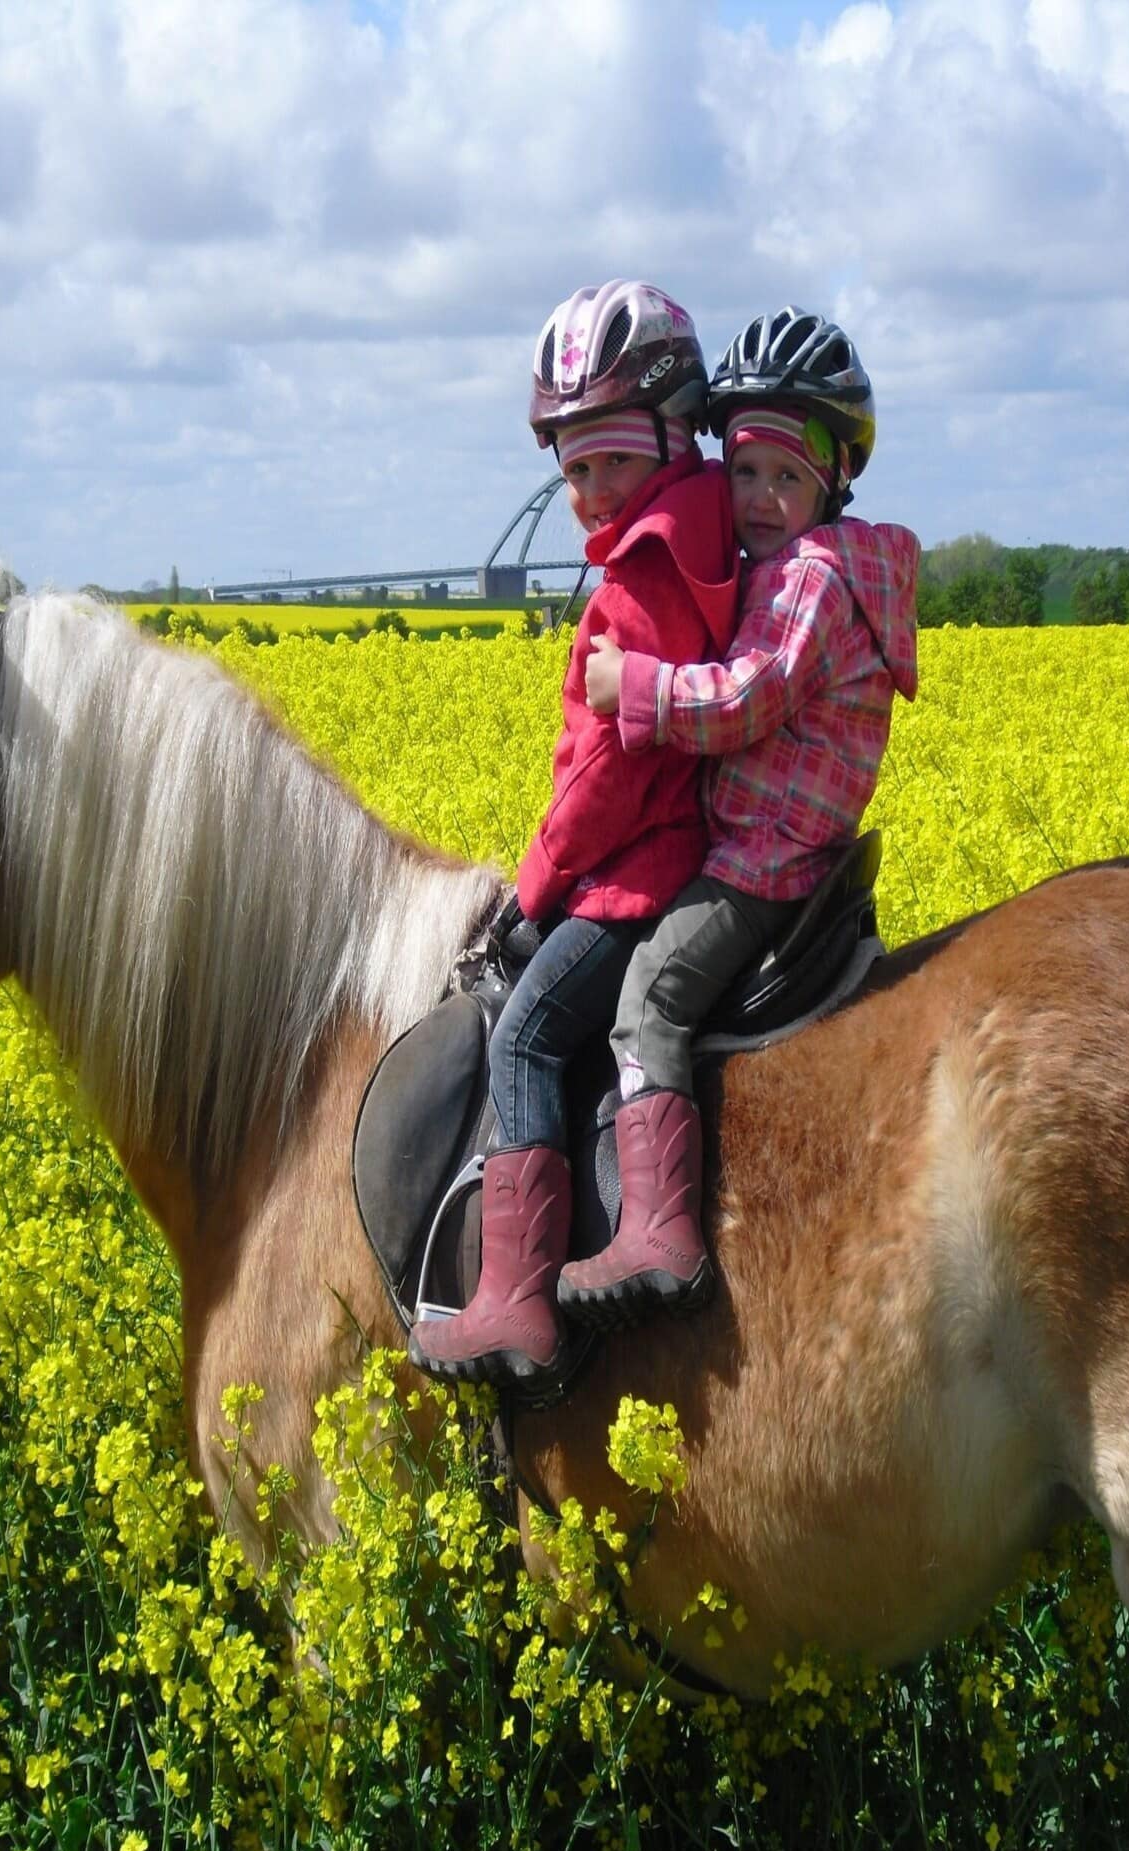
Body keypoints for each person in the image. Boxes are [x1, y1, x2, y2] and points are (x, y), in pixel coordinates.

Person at [557, 306, 920, 1325]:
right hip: (772, 848)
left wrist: (635, 684)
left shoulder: (812, 577)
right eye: (746, 471)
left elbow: (745, 699)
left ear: (834, 483)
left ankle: (657, 1232)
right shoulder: (799, 564)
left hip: (763, 867)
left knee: (650, 1000)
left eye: (787, 478)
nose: (761, 499)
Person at [407, 280, 739, 1397]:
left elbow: (607, 769)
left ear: (673, 433)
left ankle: (515, 1301)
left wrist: (538, 886)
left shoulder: (638, 570)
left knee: (525, 1039)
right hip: (688, 851)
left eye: (613, 461)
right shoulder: (704, 530)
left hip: (631, 876)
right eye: (574, 468)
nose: (592, 490)